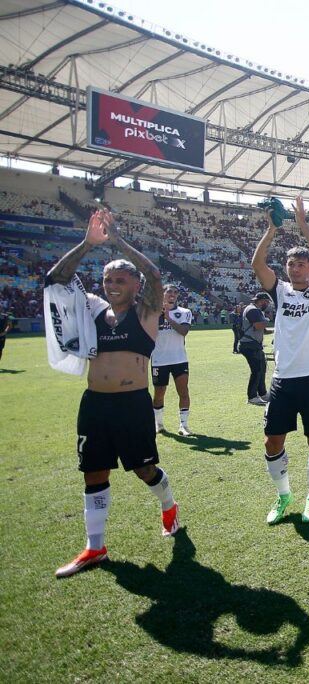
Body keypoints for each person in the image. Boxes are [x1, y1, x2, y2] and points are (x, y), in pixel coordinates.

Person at [47, 208, 179, 578]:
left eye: (121, 279)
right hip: (95, 404)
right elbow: (56, 279)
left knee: (143, 469)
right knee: (93, 472)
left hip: (132, 403)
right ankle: (95, 547)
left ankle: (169, 505)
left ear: (135, 285)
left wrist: (118, 241)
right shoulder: (91, 309)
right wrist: (88, 244)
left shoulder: (146, 309)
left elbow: (154, 274)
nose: (113, 284)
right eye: (108, 279)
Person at [252, 196, 309, 525]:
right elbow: (258, 265)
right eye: (291, 264)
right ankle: (284, 493)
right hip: (283, 379)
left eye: (301, 264)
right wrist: (271, 231)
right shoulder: (280, 290)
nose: (295, 268)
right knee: (273, 441)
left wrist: (302, 225)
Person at [151, 285, 193, 436]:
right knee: (159, 394)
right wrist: (159, 315)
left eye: (175, 292)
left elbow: (184, 331)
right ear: (162, 293)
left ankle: (184, 425)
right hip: (159, 360)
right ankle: (159, 424)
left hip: (179, 359)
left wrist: (168, 317)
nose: (173, 294)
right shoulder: (152, 312)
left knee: (183, 391)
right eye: (169, 291)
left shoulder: (184, 312)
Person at [238, 293, 271, 405]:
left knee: (262, 368)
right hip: (249, 344)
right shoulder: (253, 310)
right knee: (257, 370)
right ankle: (252, 396)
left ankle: (262, 393)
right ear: (262, 301)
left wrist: (275, 330)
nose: (267, 304)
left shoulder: (255, 310)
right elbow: (258, 326)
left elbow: (263, 330)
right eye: (266, 302)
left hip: (253, 344)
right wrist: (267, 319)